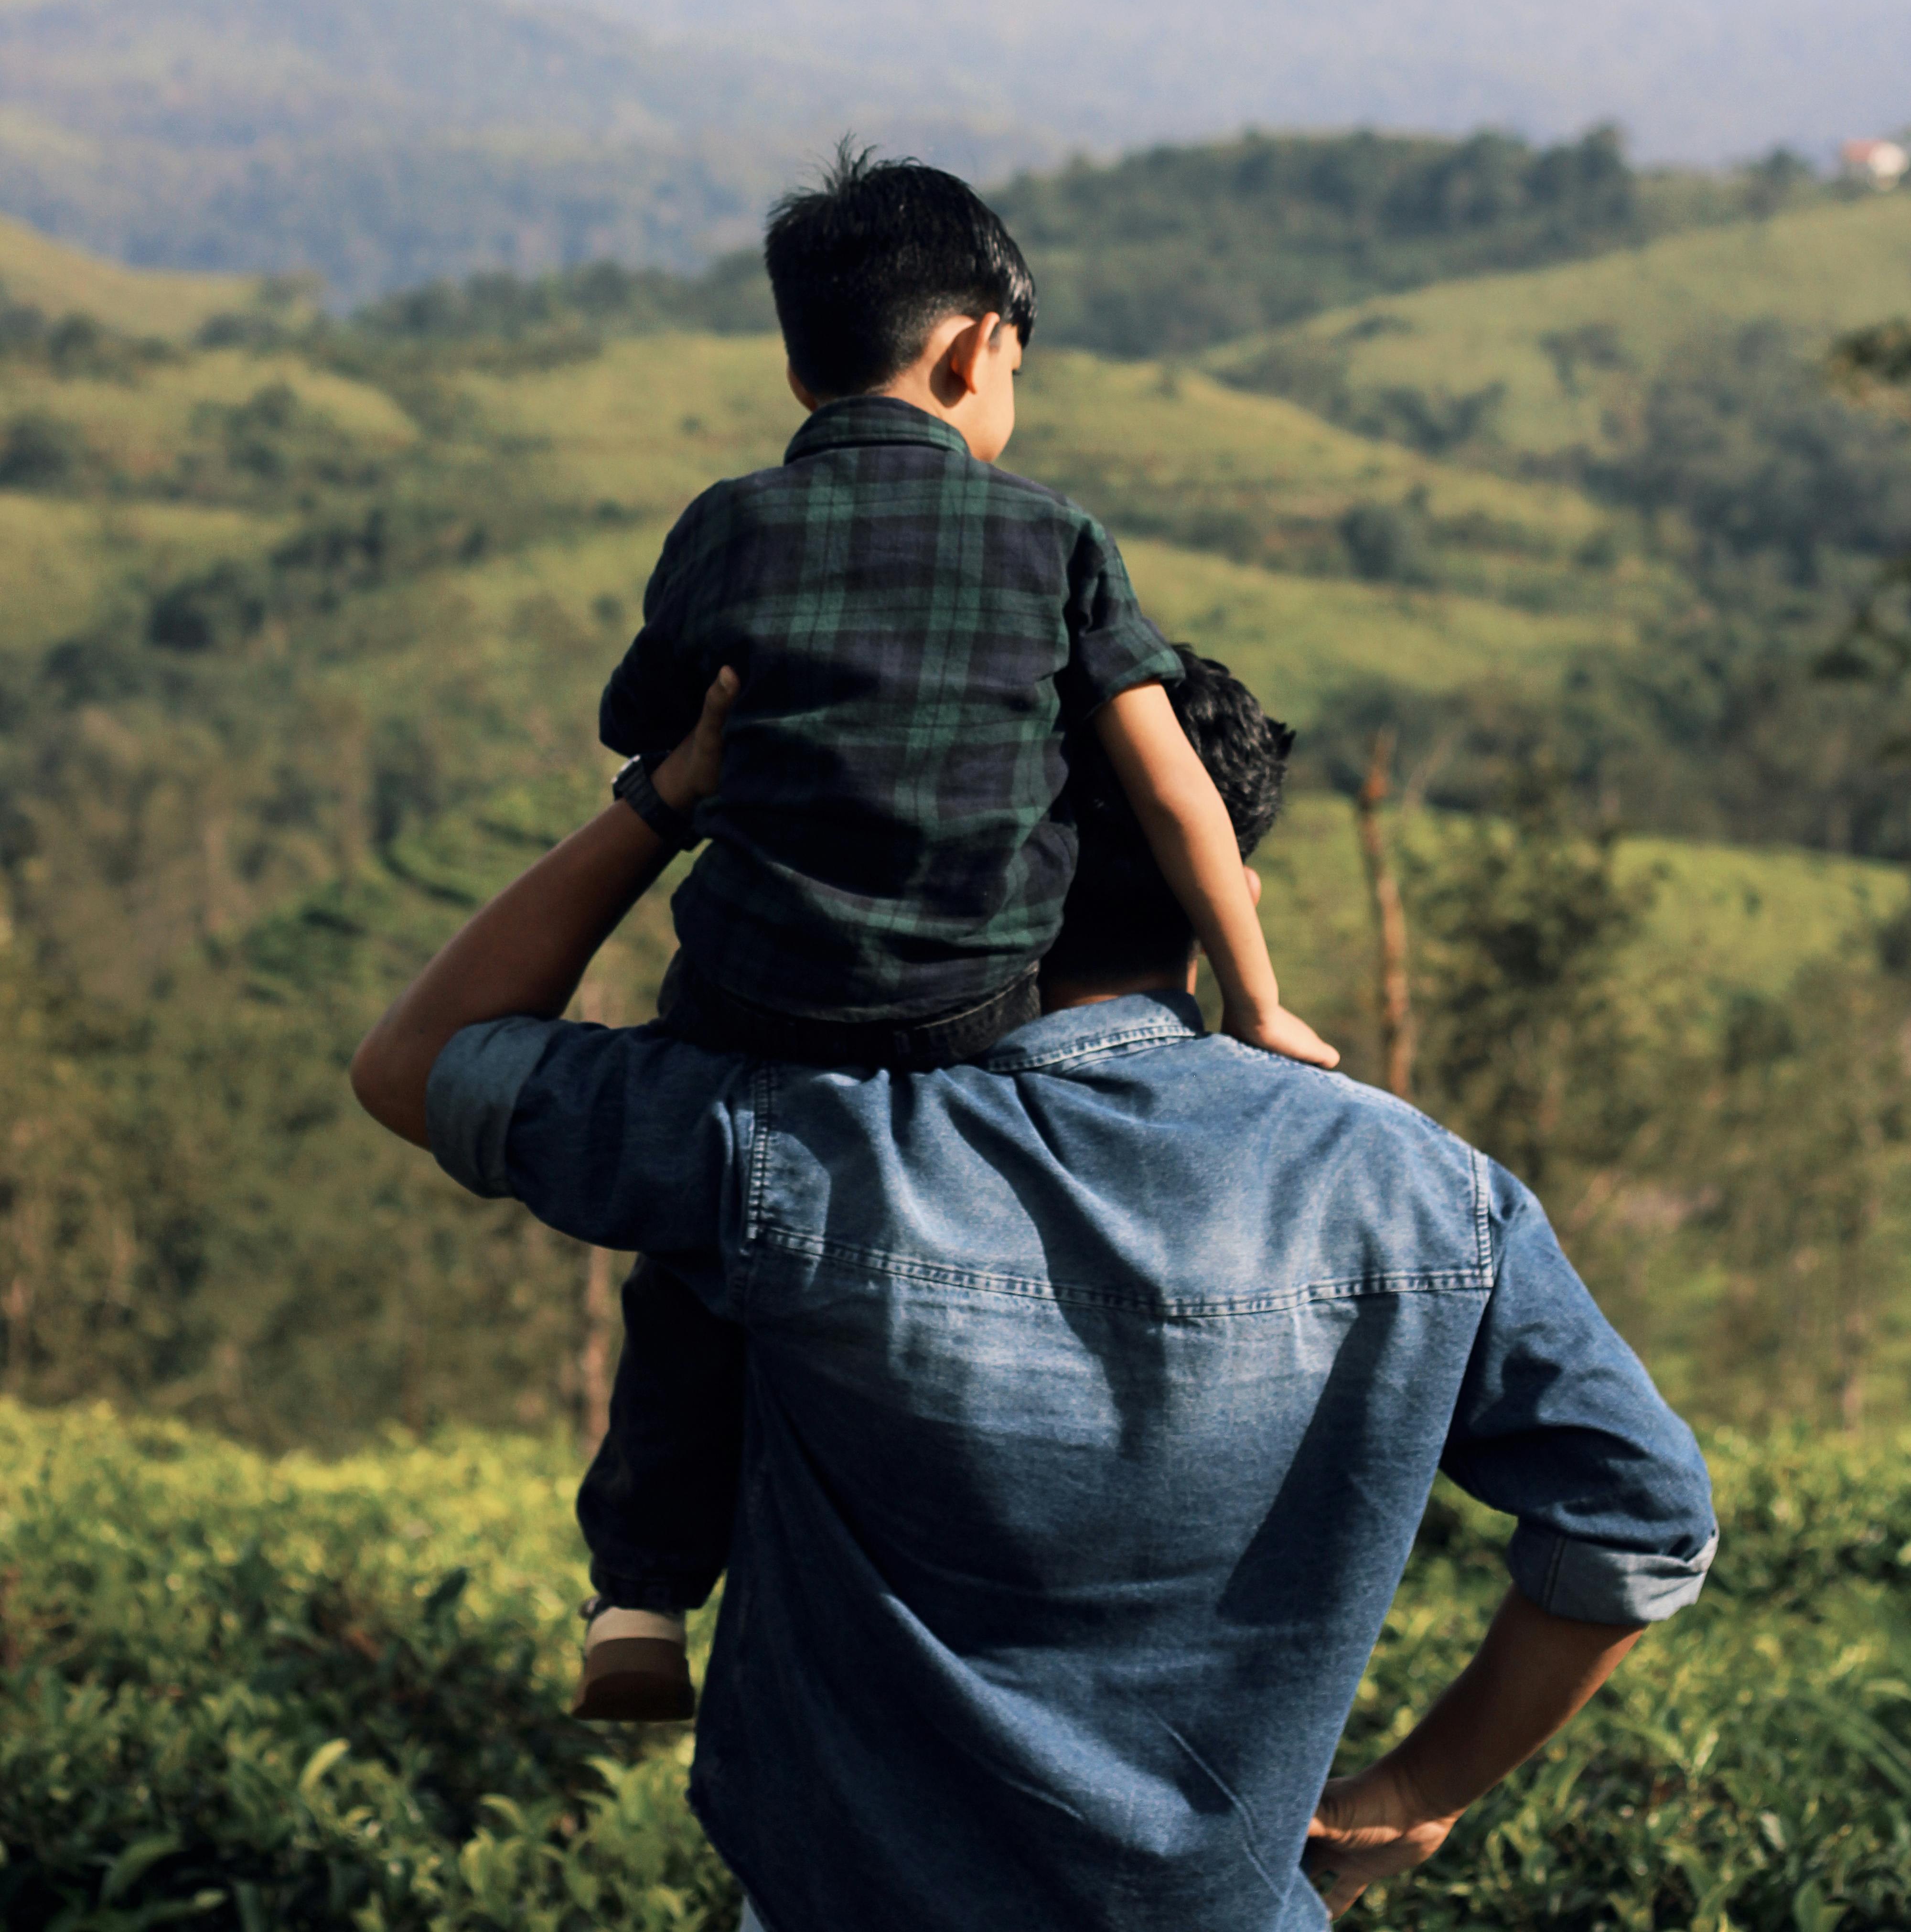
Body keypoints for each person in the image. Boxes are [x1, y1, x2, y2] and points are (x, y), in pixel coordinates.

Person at [351, 660, 1716, 1932]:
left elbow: (422, 1062)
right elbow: (1639, 1520)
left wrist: (667, 796)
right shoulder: (1421, 1192)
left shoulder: (810, 1146)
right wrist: (1412, 1794)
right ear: (1223, 881)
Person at [578, 145, 1336, 1707]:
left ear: (802, 355)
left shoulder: (729, 525)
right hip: (968, 1011)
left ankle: (640, 1606)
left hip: (751, 1003)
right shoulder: (1054, 539)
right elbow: (1178, 794)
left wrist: (696, 755)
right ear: (979, 345)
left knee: (686, 1274)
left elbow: (638, 724)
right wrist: (1258, 1000)